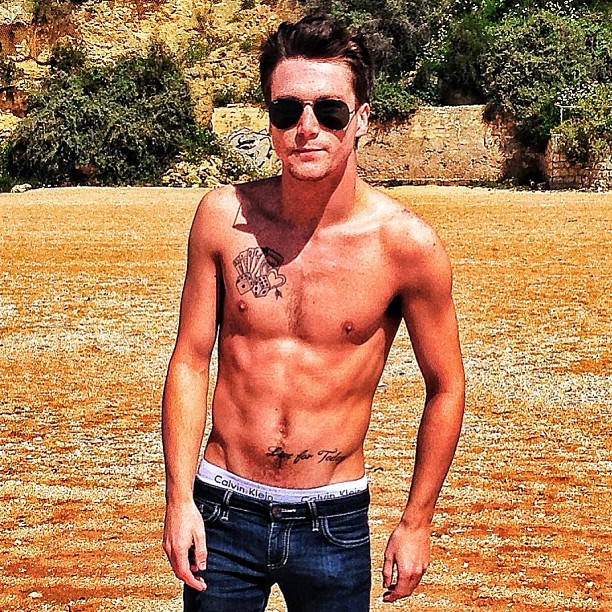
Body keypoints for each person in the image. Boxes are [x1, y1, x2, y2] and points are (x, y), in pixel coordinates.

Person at [162, 15, 465, 612]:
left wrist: (417, 520)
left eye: (329, 111)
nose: (307, 128)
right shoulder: (222, 218)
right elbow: (191, 361)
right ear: (270, 119)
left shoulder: (406, 247)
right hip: (222, 510)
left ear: (361, 119)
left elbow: (447, 386)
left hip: (333, 520)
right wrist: (179, 498)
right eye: (287, 110)